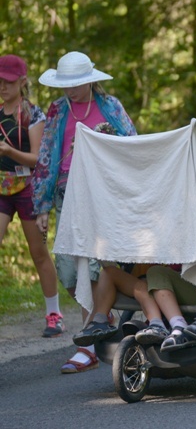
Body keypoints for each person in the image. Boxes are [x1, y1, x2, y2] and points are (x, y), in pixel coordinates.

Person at [33, 51, 137, 373]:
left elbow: (132, 145)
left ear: (90, 80)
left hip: (102, 195)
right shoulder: (57, 110)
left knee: (91, 266)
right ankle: (102, 321)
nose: (71, 90)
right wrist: (42, 206)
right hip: (67, 196)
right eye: (66, 85)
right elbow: (48, 156)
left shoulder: (110, 107)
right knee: (67, 267)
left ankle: (90, 344)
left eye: (77, 84)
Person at [0, 55, 63, 338]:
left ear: (22, 82)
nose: (2, 86)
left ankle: (54, 314)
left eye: (8, 81)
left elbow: (38, 158)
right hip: (1, 186)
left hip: (28, 188)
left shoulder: (34, 115)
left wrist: (9, 151)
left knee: (39, 254)